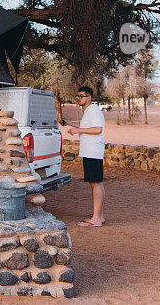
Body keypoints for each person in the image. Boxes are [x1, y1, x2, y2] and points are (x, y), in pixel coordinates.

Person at [67, 86, 106, 227]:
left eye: (82, 96)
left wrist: (78, 129)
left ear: (89, 97)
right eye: (78, 96)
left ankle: (96, 219)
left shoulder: (93, 110)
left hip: (93, 152)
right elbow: (90, 127)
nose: (79, 98)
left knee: (95, 183)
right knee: (96, 183)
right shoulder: (88, 111)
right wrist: (71, 125)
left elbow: (98, 129)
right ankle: (99, 216)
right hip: (90, 152)